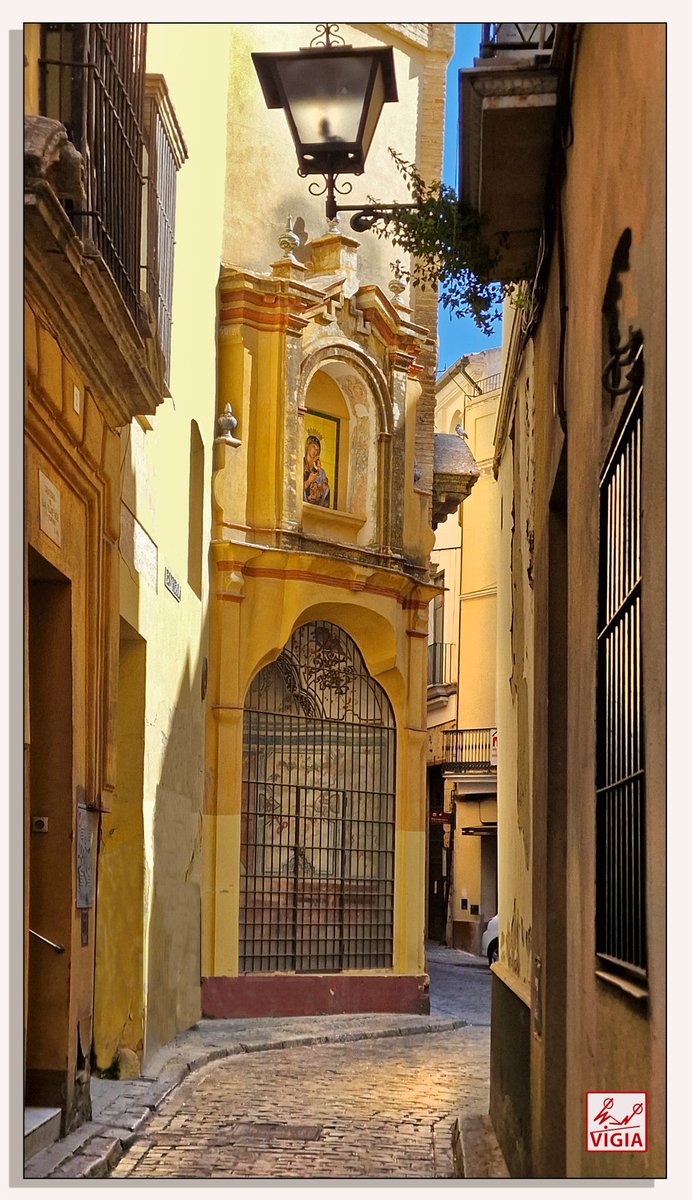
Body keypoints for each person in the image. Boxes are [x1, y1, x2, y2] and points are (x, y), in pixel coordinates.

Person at [303, 435, 331, 507]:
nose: (315, 451)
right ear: (308, 446)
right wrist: (309, 481)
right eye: (313, 447)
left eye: (317, 449)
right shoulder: (300, 465)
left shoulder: (319, 471)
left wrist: (323, 488)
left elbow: (325, 489)